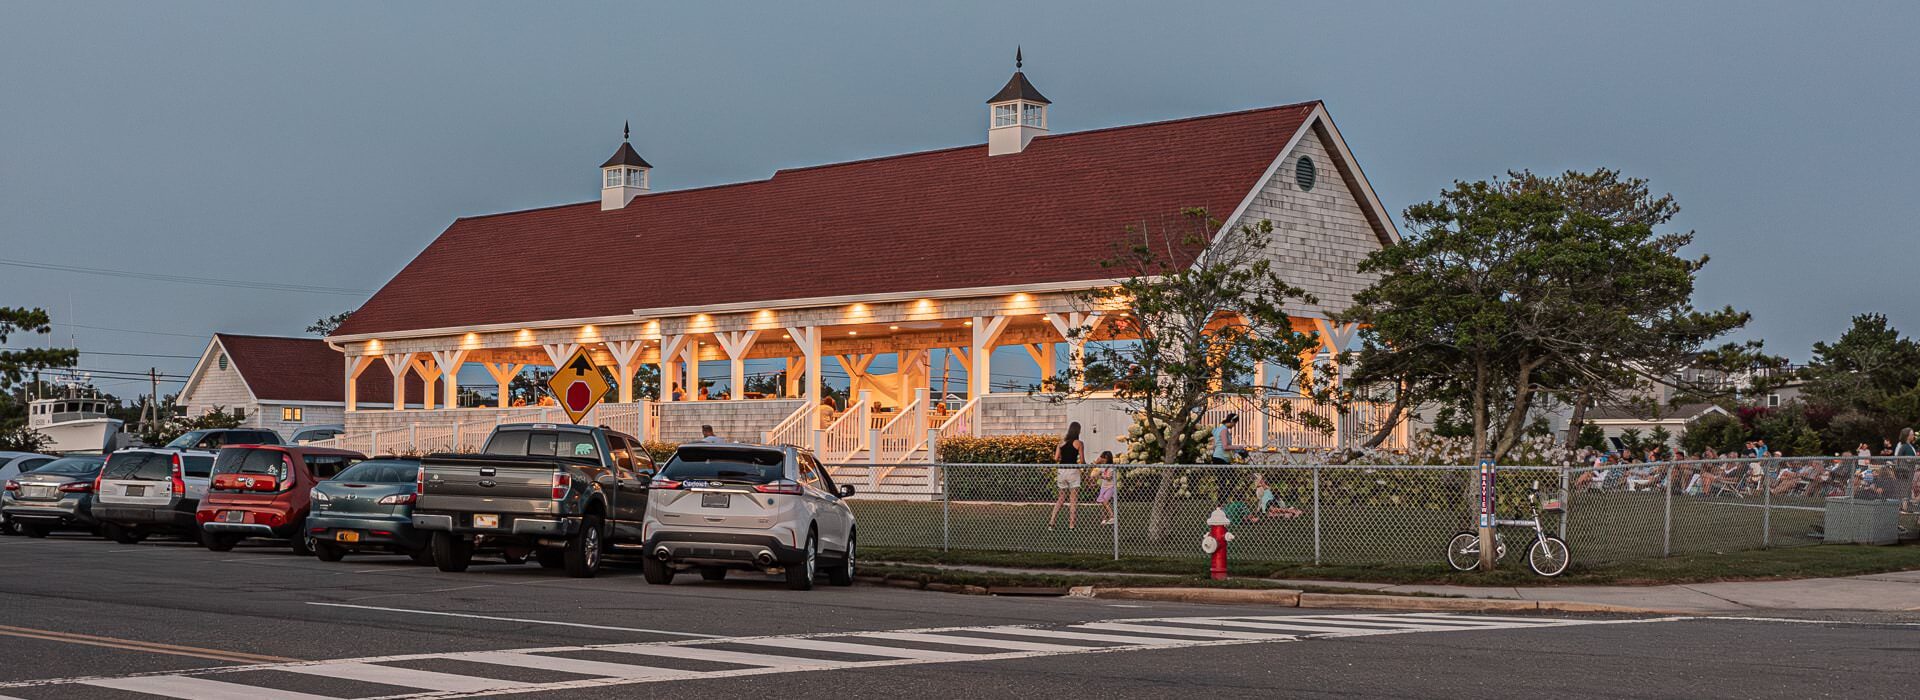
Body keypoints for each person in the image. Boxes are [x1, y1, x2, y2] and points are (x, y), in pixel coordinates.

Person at [1047, 422, 1086, 531]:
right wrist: (1086, 465)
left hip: (1062, 471)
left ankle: (1051, 522)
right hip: (1073, 471)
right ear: (1078, 431)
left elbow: (1056, 458)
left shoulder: (1061, 443)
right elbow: (1082, 461)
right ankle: (1071, 525)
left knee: (1061, 498)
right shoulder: (1079, 443)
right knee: (1073, 499)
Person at [1089, 451, 1119, 526]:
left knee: (1105, 501)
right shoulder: (1102, 466)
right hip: (1103, 487)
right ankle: (1104, 518)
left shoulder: (1111, 467)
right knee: (1103, 502)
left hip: (1111, 487)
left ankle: (1112, 517)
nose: (1103, 459)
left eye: (1104, 458)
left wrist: (1100, 477)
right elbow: (1096, 473)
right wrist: (1094, 478)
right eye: (1102, 458)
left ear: (1108, 459)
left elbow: (1109, 478)